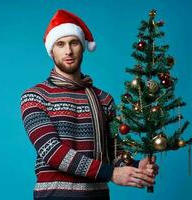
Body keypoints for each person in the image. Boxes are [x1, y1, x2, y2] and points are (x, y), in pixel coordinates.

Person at [20, 9, 159, 200]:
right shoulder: (35, 96)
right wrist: (110, 173)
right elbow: (51, 150)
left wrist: (136, 167)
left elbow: (114, 150)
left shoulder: (104, 99)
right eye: (60, 44)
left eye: (73, 43)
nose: (68, 51)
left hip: (97, 195)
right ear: (51, 51)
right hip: (54, 196)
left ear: (82, 46)